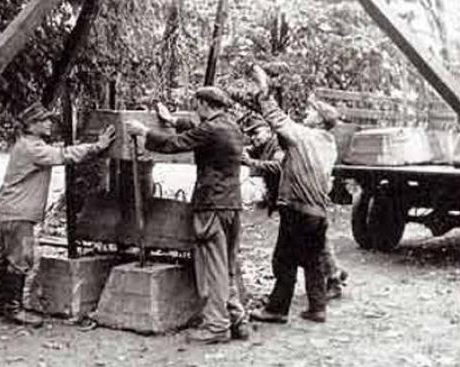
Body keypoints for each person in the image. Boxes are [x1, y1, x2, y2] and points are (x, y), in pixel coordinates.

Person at [125, 87, 250, 344]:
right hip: (232, 205)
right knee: (227, 266)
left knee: (213, 268)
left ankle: (217, 326)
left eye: (197, 105)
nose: (196, 110)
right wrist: (172, 120)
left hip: (211, 205)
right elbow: (196, 131)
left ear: (204, 104)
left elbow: (176, 144)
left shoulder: (210, 129)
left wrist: (144, 132)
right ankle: (238, 318)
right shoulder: (231, 126)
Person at [0, 102, 116, 326]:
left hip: (10, 210)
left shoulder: (29, 144)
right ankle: (13, 309)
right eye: (44, 120)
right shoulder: (32, 148)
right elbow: (64, 155)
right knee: (21, 258)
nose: (49, 124)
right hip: (19, 213)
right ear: (32, 125)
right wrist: (97, 146)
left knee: (6, 257)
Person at [246, 65, 339, 324]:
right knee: (312, 261)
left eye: (311, 112)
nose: (306, 114)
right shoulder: (329, 145)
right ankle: (317, 308)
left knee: (283, 260)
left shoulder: (305, 137)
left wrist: (264, 91)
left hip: (297, 210)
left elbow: (277, 119)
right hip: (318, 213)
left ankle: (277, 310)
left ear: (319, 120)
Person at [242, 99, 351, 300]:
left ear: (319, 119)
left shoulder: (298, 141)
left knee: (303, 252)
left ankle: (331, 280)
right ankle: (329, 281)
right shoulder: (324, 141)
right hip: (310, 203)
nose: (253, 138)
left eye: (311, 111)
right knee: (314, 246)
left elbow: (278, 164)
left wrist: (250, 162)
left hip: (302, 202)